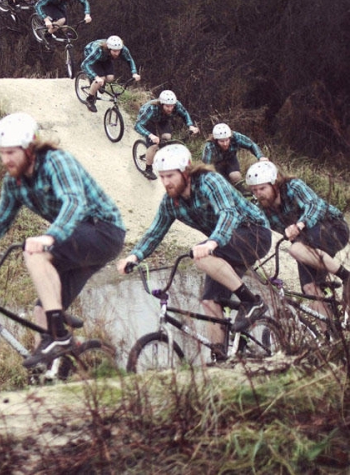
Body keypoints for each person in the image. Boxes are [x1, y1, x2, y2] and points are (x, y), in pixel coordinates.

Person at [0, 112, 126, 368]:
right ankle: (50, 371)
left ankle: (59, 334)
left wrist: (49, 237)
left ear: (29, 149)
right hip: (77, 240)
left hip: (103, 231)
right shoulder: (14, 183)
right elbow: (0, 220)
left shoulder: (56, 161)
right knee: (40, 311)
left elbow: (74, 201)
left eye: (11, 152)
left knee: (34, 253)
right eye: (1, 153)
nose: (5, 159)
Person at [116, 144, 272, 360]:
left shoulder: (209, 182)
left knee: (204, 256)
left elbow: (228, 213)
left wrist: (212, 243)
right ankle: (220, 358)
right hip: (225, 247)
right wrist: (133, 257)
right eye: (162, 177)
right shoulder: (170, 203)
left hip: (253, 233)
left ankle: (253, 302)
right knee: (210, 302)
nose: (166, 182)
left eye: (170, 175)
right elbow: (155, 232)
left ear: (185, 171)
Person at [246, 161, 350, 321]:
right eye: (254, 190)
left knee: (295, 249)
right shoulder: (263, 209)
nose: (259, 194)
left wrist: (300, 224)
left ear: (274, 184)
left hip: (332, 227)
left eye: (262, 188)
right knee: (309, 289)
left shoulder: (292, 187)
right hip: (308, 244)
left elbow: (315, 205)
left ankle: (346, 276)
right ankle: (331, 334)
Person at [133, 90, 200, 180]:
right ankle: (148, 169)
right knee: (153, 145)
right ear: (161, 104)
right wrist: (150, 135)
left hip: (162, 119)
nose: (170, 108)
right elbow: (137, 125)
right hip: (148, 121)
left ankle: (155, 153)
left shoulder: (176, 105)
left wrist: (190, 126)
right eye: (167, 106)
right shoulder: (151, 108)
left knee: (167, 138)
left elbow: (185, 114)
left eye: (172, 106)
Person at [80, 35, 140, 112]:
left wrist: (134, 73)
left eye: (118, 51)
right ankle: (90, 99)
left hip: (106, 57)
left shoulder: (123, 49)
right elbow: (84, 64)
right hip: (91, 53)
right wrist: (96, 77)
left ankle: (101, 84)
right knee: (100, 78)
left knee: (110, 77)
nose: (117, 53)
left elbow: (129, 60)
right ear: (109, 49)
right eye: (114, 51)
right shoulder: (99, 50)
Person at [202, 123, 268, 189]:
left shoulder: (236, 137)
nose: (225, 144)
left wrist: (260, 156)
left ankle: (240, 191)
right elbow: (206, 166)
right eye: (221, 141)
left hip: (231, 159)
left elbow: (251, 144)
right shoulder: (209, 146)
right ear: (216, 140)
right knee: (219, 182)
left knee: (236, 177)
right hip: (216, 163)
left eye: (227, 140)